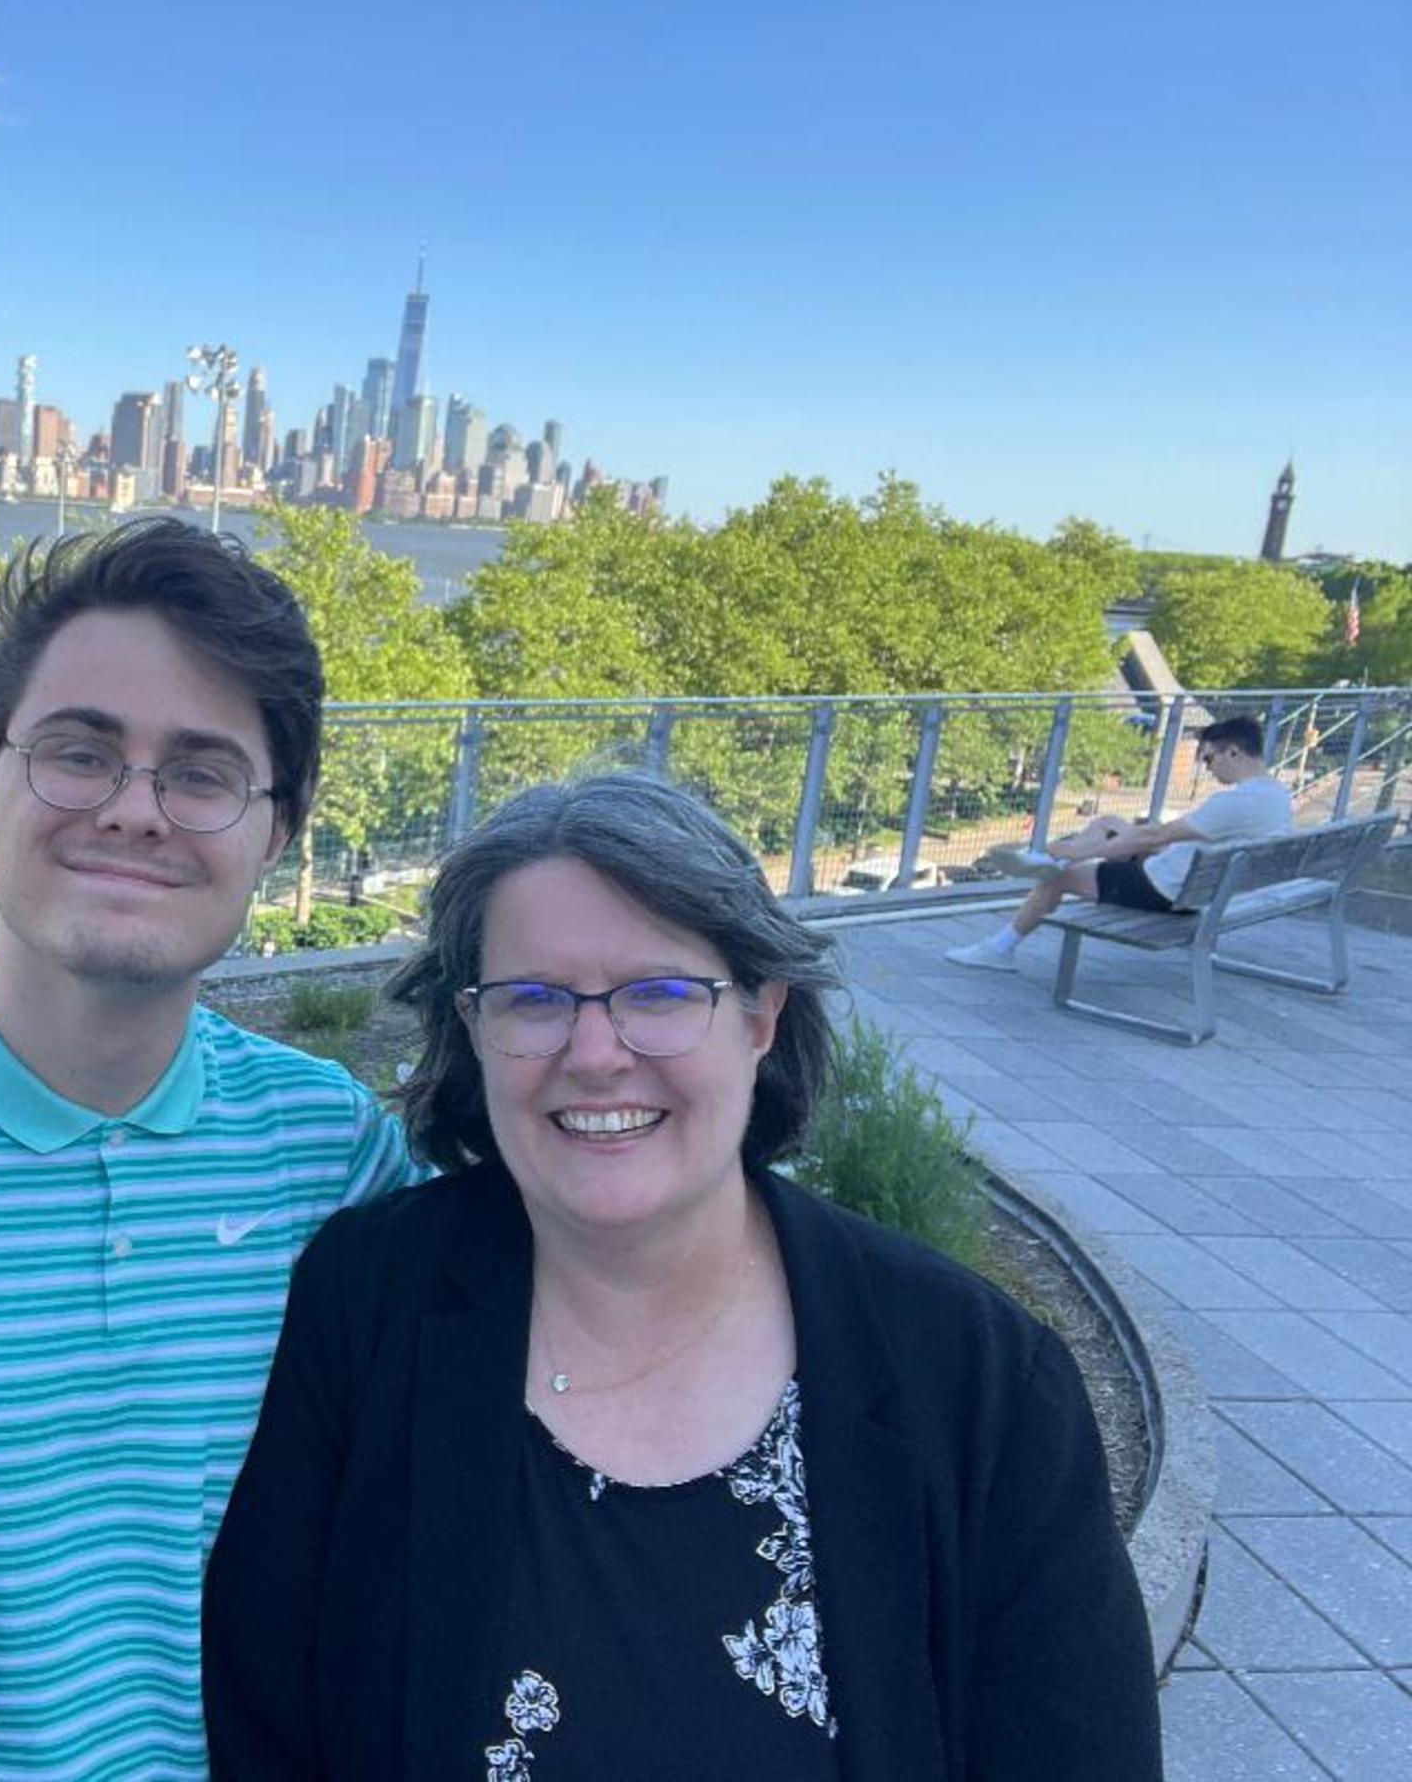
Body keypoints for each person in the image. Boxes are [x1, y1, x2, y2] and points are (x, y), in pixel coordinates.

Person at [203, 772, 1159, 1780]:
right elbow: (268, 1720)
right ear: (474, 1030)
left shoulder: (978, 1382)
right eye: (532, 1000)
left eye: (658, 993)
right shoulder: (368, 1299)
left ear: (760, 1017)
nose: (596, 1053)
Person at [0, 517, 420, 1777]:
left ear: (278, 830)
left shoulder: (334, 1158)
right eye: (80, 753)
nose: (135, 810)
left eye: (202, 773)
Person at [946, 715, 1294, 971]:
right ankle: (1057, 856)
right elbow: (1168, 836)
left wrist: (1086, 852)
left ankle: (1000, 947)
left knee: (1056, 878)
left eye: (1208, 759)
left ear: (1233, 753)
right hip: (1200, 881)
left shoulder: (1233, 802)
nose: (1208, 769)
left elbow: (1154, 836)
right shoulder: (1277, 794)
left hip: (1166, 889)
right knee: (1108, 823)